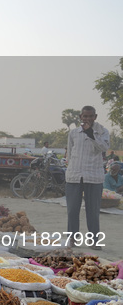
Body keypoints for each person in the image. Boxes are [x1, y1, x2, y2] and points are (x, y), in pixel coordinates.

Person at [65, 106, 110, 249]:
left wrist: (91, 134)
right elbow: (70, 154)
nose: (87, 119)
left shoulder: (102, 131)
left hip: (94, 176)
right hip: (74, 176)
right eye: (85, 116)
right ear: (81, 117)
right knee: (72, 209)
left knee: (93, 210)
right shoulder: (73, 133)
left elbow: (103, 148)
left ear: (95, 117)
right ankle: (72, 238)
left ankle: (94, 240)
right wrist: (70, 169)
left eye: (90, 116)